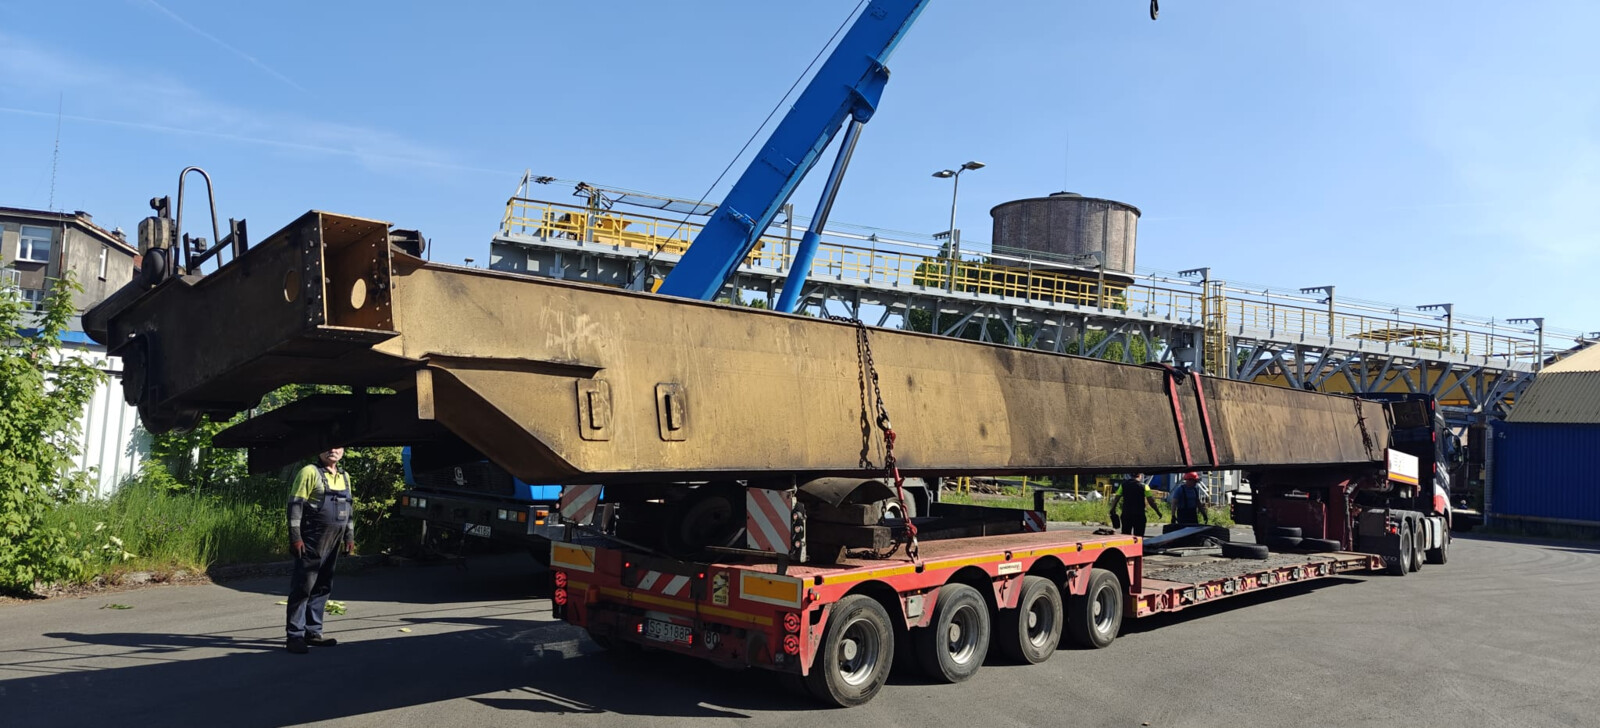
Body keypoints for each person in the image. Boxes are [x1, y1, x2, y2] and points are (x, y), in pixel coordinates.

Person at [286, 447, 355, 654]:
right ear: (318, 450)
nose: (333, 450)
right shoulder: (309, 472)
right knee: (303, 588)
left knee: (323, 586)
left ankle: (313, 632)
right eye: (328, 446)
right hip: (311, 540)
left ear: (343, 450)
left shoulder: (345, 476)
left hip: (334, 541)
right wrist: (295, 537)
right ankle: (295, 636)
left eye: (338, 446)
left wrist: (349, 536)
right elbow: (295, 506)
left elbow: (349, 509)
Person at [1108, 473, 1163, 537]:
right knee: (1139, 536)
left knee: (1126, 535)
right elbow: (1151, 501)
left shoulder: (1123, 485)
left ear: (1131, 475)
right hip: (1139, 515)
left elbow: (1116, 498)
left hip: (1126, 514)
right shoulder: (1144, 486)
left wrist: (1112, 509)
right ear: (1140, 476)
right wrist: (1157, 511)